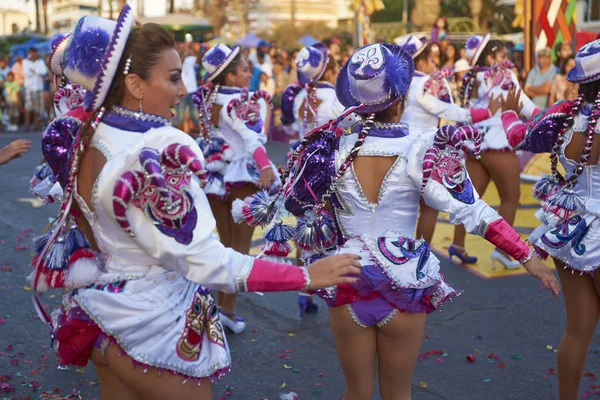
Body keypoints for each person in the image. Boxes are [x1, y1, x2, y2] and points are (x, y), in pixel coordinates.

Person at [31, 8, 362, 400]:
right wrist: (308, 277)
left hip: (103, 318)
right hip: (152, 331)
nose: (184, 89)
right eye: (172, 78)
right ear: (135, 85)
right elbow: (208, 261)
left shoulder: (85, 137)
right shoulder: (153, 152)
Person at [252, 42, 559, 400]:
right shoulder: (421, 148)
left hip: (346, 279)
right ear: (400, 101)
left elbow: (297, 205)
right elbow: (472, 210)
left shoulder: (331, 149)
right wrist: (526, 255)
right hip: (404, 282)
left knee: (355, 393)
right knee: (399, 394)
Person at [499, 38, 600, 400]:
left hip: (568, 229)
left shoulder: (566, 117)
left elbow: (517, 135)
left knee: (578, 330)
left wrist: (509, 110)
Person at [193, 44, 280, 334]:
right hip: (242, 174)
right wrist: (266, 165)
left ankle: (215, 308)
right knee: (239, 248)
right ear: (230, 77)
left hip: (215, 173)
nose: (250, 72)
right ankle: (226, 311)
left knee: (223, 244)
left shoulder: (209, 98)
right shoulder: (238, 101)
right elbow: (253, 138)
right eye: (244, 69)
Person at [279, 43, 355, 317]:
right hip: (329, 171)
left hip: (301, 169)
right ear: (329, 68)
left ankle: (304, 290)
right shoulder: (337, 100)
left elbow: (289, 127)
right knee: (336, 228)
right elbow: (352, 128)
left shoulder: (299, 96)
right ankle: (335, 287)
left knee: (305, 228)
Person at [452, 34, 540, 267]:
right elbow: (521, 101)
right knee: (510, 198)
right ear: (490, 56)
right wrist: (542, 117)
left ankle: (457, 245)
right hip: (498, 145)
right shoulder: (504, 74)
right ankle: (504, 252)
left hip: (475, 147)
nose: (506, 59)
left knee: (469, 200)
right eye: (502, 55)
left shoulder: (471, 78)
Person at [396, 35, 491, 245]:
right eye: (431, 59)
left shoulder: (401, 82)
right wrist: (472, 115)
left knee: (401, 210)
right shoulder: (425, 81)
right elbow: (441, 107)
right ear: (420, 62)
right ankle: (419, 259)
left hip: (398, 147)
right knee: (429, 210)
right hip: (422, 151)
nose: (435, 63)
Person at [22, 47, 47, 131]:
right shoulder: (25, 62)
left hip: (39, 87)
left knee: (38, 108)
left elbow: (44, 72)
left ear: (36, 53)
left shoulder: (40, 61)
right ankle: (27, 125)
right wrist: (37, 71)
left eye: (33, 53)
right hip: (29, 87)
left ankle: (36, 125)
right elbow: (26, 73)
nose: (32, 55)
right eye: (30, 53)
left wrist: (33, 70)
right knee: (28, 107)